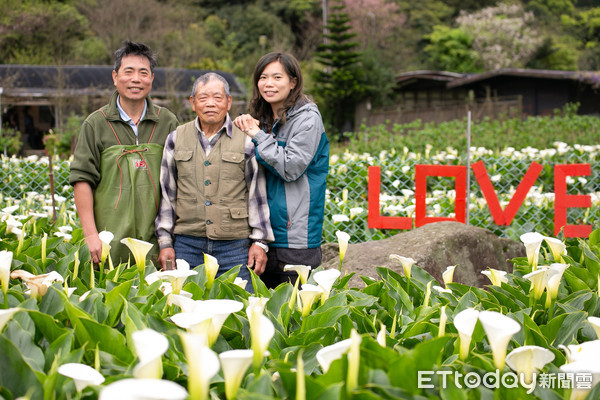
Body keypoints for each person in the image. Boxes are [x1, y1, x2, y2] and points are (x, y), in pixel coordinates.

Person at [155, 72, 273, 284]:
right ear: (192, 103)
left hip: (235, 247)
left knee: (239, 309)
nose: (210, 104)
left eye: (218, 98)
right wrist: (165, 242)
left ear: (228, 102)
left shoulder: (246, 139)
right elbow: (167, 194)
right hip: (187, 245)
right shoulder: (176, 138)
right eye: (203, 98)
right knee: (186, 310)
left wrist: (260, 242)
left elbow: (257, 192)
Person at [70, 41, 178, 265]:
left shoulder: (167, 121)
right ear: (114, 76)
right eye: (128, 72)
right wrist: (91, 235)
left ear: (152, 78)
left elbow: (180, 180)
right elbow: (82, 180)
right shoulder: (96, 123)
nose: (136, 79)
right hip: (109, 240)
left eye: (143, 73)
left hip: (157, 240)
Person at [234, 52, 329, 288]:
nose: (269, 84)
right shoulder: (263, 118)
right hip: (260, 235)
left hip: (294, 238)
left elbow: (291, 168)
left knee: (293, 315)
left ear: (293, 82)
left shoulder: (307, 119)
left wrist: (257, 135)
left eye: (277, 77)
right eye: (263, 77)